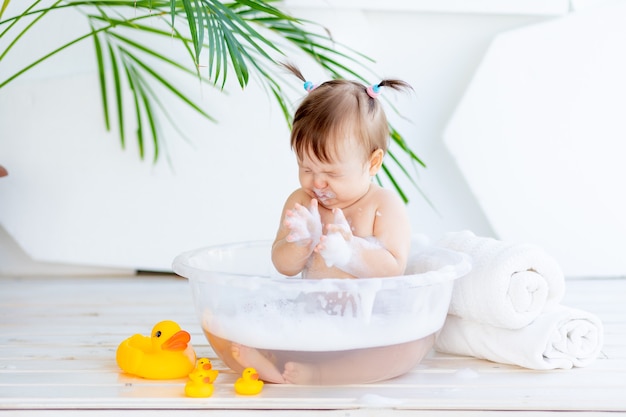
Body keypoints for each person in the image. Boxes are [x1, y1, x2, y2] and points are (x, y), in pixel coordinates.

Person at [228, 64, 432, 384]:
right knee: (262, 314)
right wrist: (300, 243)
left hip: (367, 324)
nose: (317, 183)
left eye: (332, 173)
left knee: (402, 349)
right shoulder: (301, 202)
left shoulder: (383, 206)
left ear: (372, 163)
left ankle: (320, 374)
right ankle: (269, 358)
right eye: (306, 168)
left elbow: (393, 267)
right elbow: (283, 265)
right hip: (312, 318)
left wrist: (351, 253)